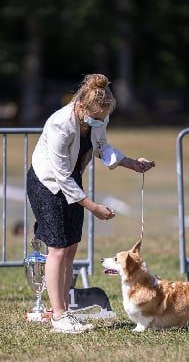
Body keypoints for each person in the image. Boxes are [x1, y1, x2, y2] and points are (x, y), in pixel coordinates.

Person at [27, 73, 155, 334]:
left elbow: (102, 147)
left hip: (72, 180)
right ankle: (59, 315)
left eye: (103, 117)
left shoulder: (98, 118)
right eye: (95, 117)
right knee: (58, 249)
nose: (99, 121)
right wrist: (93, 206)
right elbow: (61, 176)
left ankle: (65, 311)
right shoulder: (59, 125)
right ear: (82, 106)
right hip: (47, 183)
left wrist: (132, 164)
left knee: (71, 247)